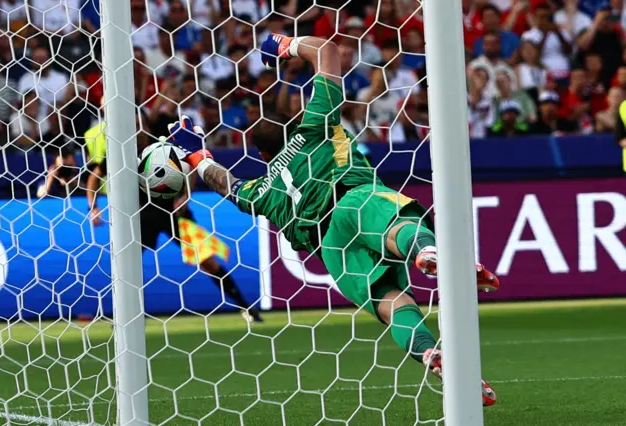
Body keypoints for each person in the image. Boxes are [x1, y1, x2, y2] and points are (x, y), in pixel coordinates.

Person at [166, 34, 499, 406]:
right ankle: (427, 253)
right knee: (394, 227)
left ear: (260, 153)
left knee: (393, 303)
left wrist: (197, 156)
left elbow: (227, 185)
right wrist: (283, 44)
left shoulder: (259, 191)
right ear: (293, 124)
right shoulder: (315, 128)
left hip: (333, 249)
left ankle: (429, 354)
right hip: (351, 198)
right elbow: (326, 50)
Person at [84, 114, 262, 322]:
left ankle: (245, 307)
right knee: (127, 266)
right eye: (131, 125)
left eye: (138, 124)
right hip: (142, 216)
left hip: (174, 213)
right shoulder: (120, 151)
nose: (135, 129)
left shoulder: (161, 146)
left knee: (207, 261)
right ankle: (123, 317)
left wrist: (187, 194)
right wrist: (93, 207)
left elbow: (191, 163)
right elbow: (94, 176)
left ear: (146, 124)